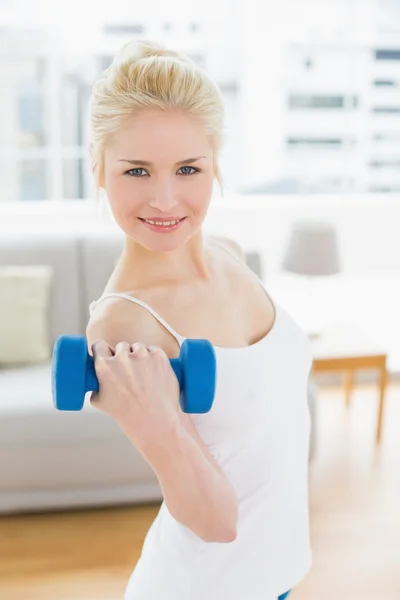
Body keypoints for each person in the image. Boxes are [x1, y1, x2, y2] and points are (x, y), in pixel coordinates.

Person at [86, 39, 313, 600]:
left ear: (215, 163)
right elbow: (216, 522)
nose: (165, 200)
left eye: (188, 168)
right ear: (98, 168)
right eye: (136, 170)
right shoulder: (122, 326)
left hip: (280, 576)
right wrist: (158, 423)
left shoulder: (230, 252)